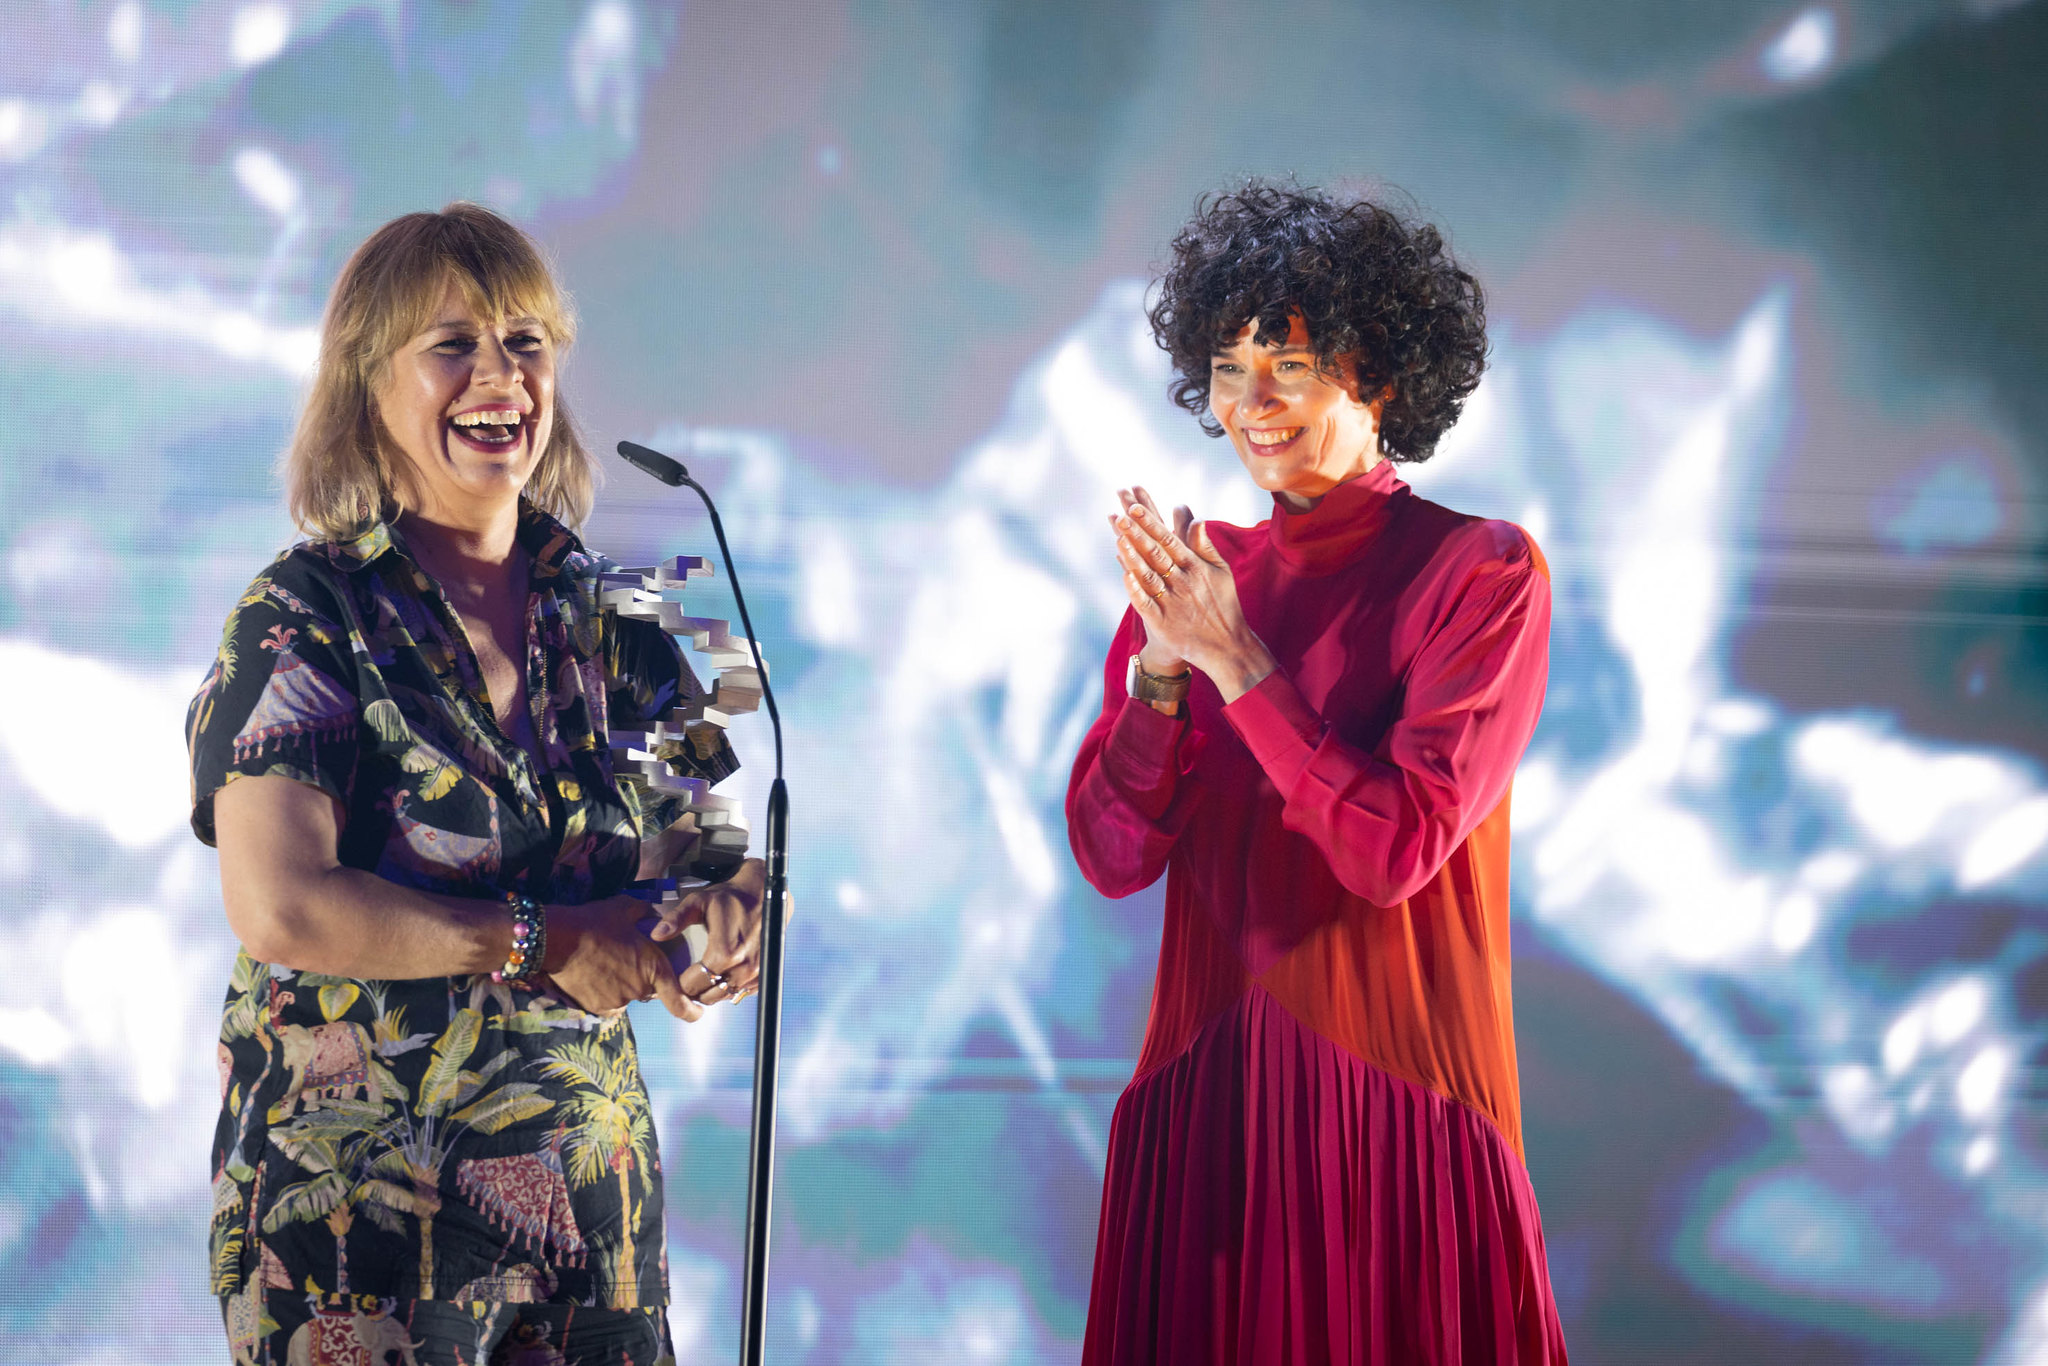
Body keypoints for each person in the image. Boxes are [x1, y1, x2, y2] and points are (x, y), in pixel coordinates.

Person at [187, 203, 766, 1366]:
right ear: (367, 387)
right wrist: (540, 939)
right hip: (361, 1230)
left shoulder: (634, 615)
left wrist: (730, 914)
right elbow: (280, 905)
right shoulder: (303, 614)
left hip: (592, 1224)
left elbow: (715, 849)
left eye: (526, 342)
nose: (499, 374)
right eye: (451, 344)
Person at [1068, 181, 1568, 1363]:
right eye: (1228, 368)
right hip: (1209, 1117)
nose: (1251, 404)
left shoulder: (1481, 573)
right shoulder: (1201, 578)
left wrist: (1234, 658)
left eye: (1284, 364)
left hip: (1396, 1122)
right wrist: (1157, 675)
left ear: (1377, 372)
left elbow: (1392, 848)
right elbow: (1109, 854)